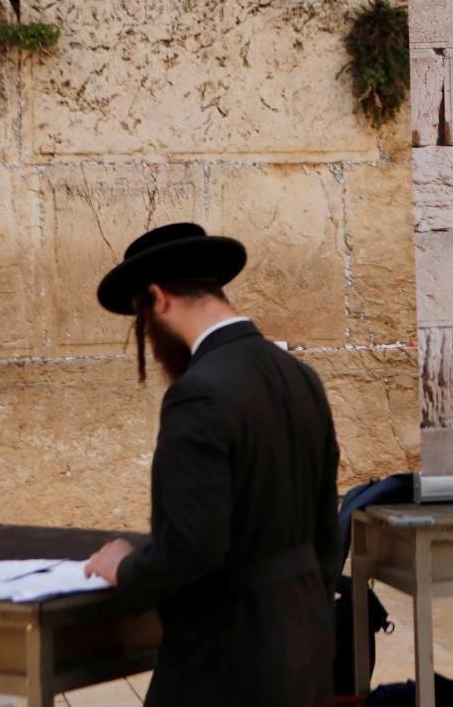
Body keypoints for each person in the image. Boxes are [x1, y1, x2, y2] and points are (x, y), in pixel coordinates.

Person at [84, 222, 342, 707]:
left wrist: (126, 567)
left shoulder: (199, 392)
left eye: (142, 319)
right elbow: (326, 528)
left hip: (229, 663)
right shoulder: (301, 376)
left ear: (158, 299)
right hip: (306, 647)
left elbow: (193, 546)